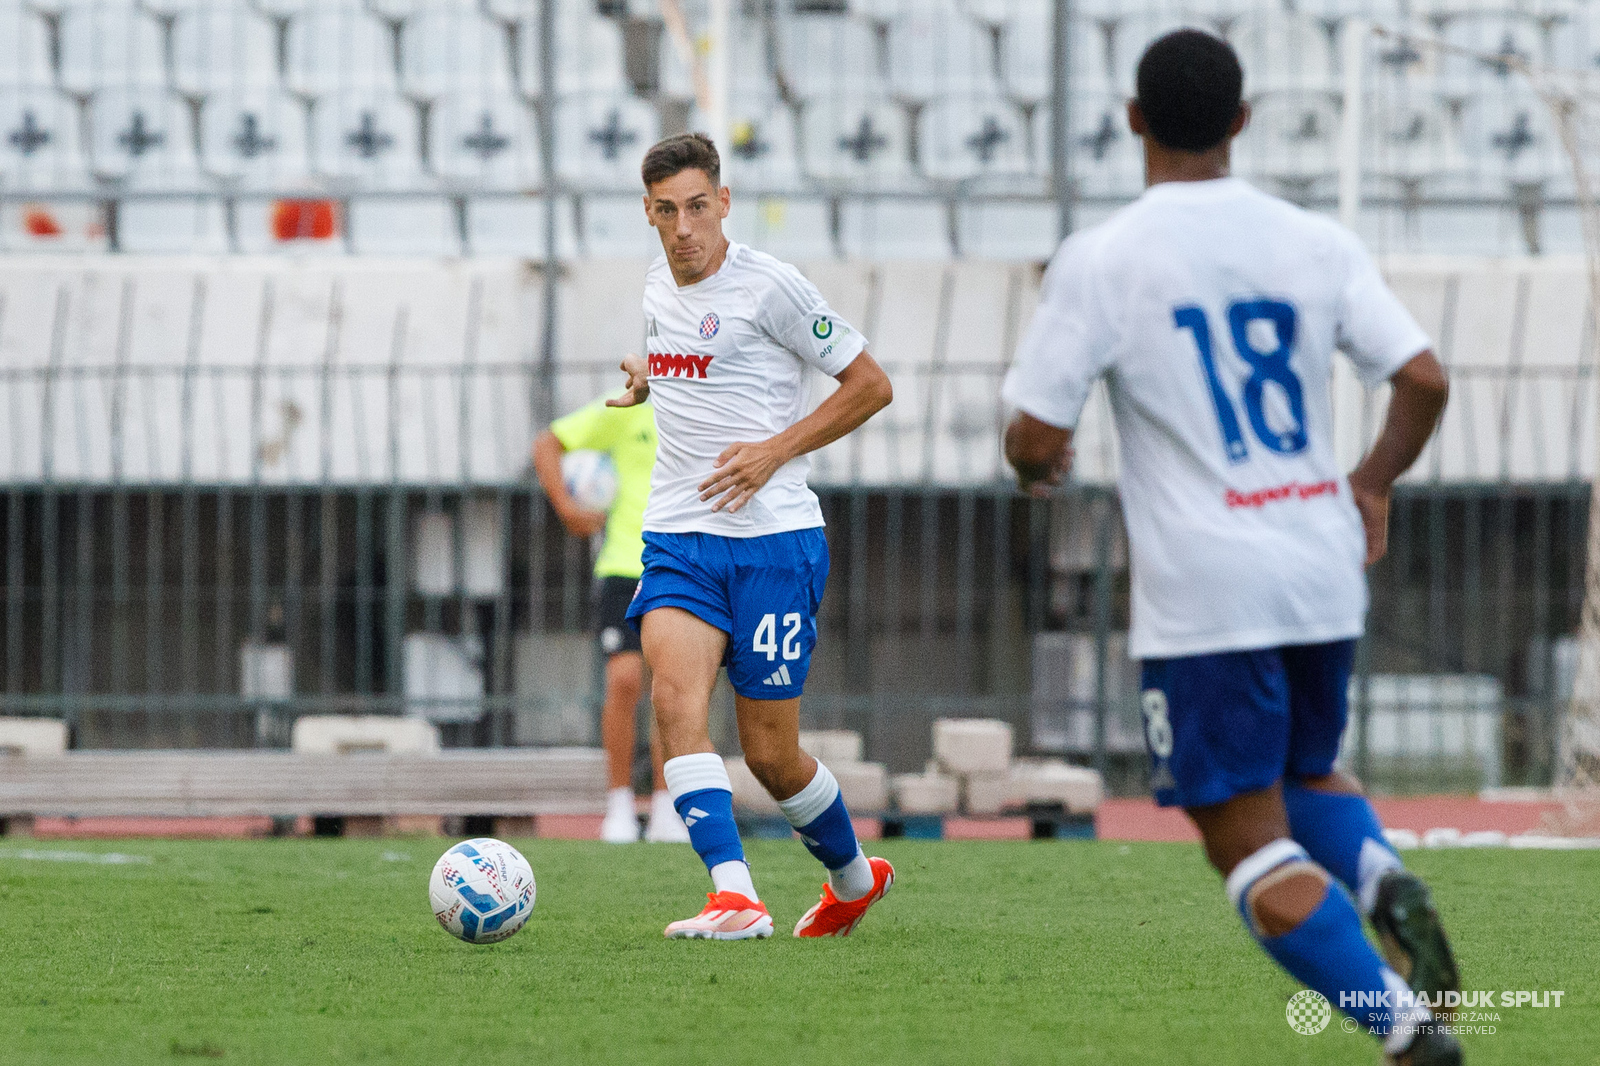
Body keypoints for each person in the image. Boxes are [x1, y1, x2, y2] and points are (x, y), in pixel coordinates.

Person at [1002, 30, 1459, 1066]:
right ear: (1241, 123)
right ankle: (1381, 873)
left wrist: (1038, 465)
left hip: (1209, 589)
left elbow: (1032, 432)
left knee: (1239, 836)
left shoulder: (1106, 256)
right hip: (1319, 559)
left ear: (1131, 119)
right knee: (1303, 771)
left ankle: (1405, 1031)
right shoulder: (1314, 239)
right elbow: (1423, 377)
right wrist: (1371, 478)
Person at [606, 132, 896, 940]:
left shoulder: (773, 288)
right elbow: (697, 361)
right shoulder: (657, 285)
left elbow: (871, 386)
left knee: (771, 755)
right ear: (649, 214)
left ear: (723, 203)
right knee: (673, 702)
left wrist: (776, 450)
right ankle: (734, 894)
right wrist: (648, 378)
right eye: (667, 212)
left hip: (774, 544)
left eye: (698, 207)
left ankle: (852, 877)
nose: (684, 227)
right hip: (679, 533)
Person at [532, 397, 689, 844]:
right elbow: (547, 442)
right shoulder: (632, 410)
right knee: (624, 681)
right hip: (624, 566)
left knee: (672, 689)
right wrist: (566, 506)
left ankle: (666, 808)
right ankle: (619, 805)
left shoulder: (705, 408)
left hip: (681, 566)